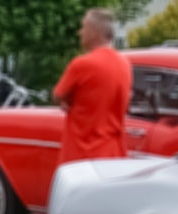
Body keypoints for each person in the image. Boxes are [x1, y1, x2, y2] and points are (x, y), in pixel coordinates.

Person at [53, 8, 130, 167]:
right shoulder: (125, 65)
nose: (80, 32)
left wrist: (67, 101)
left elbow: (58, 96)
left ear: (94, 31)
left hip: (82, 157)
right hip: (113, 154)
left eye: (83, 27)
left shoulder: (82, 64)